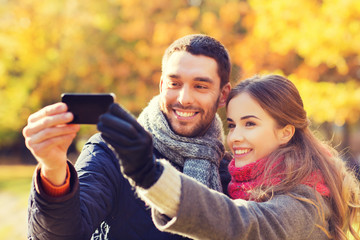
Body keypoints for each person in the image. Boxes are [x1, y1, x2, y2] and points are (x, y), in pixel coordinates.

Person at [99, 74, 360, 240]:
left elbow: (242, 223)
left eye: (250, 124)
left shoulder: (304, 200)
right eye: (233, 124)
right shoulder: (237, 181)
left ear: (285, 132)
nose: (234, 137)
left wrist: (149, 174)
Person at [23, 34, 232, 239]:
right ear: (161, 86)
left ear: (223, 94)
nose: (184, 98)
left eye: (201, 86)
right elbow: (63, 234)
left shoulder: (231, 169)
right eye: (174, 84)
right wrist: (53, 168)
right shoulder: (110, 151)